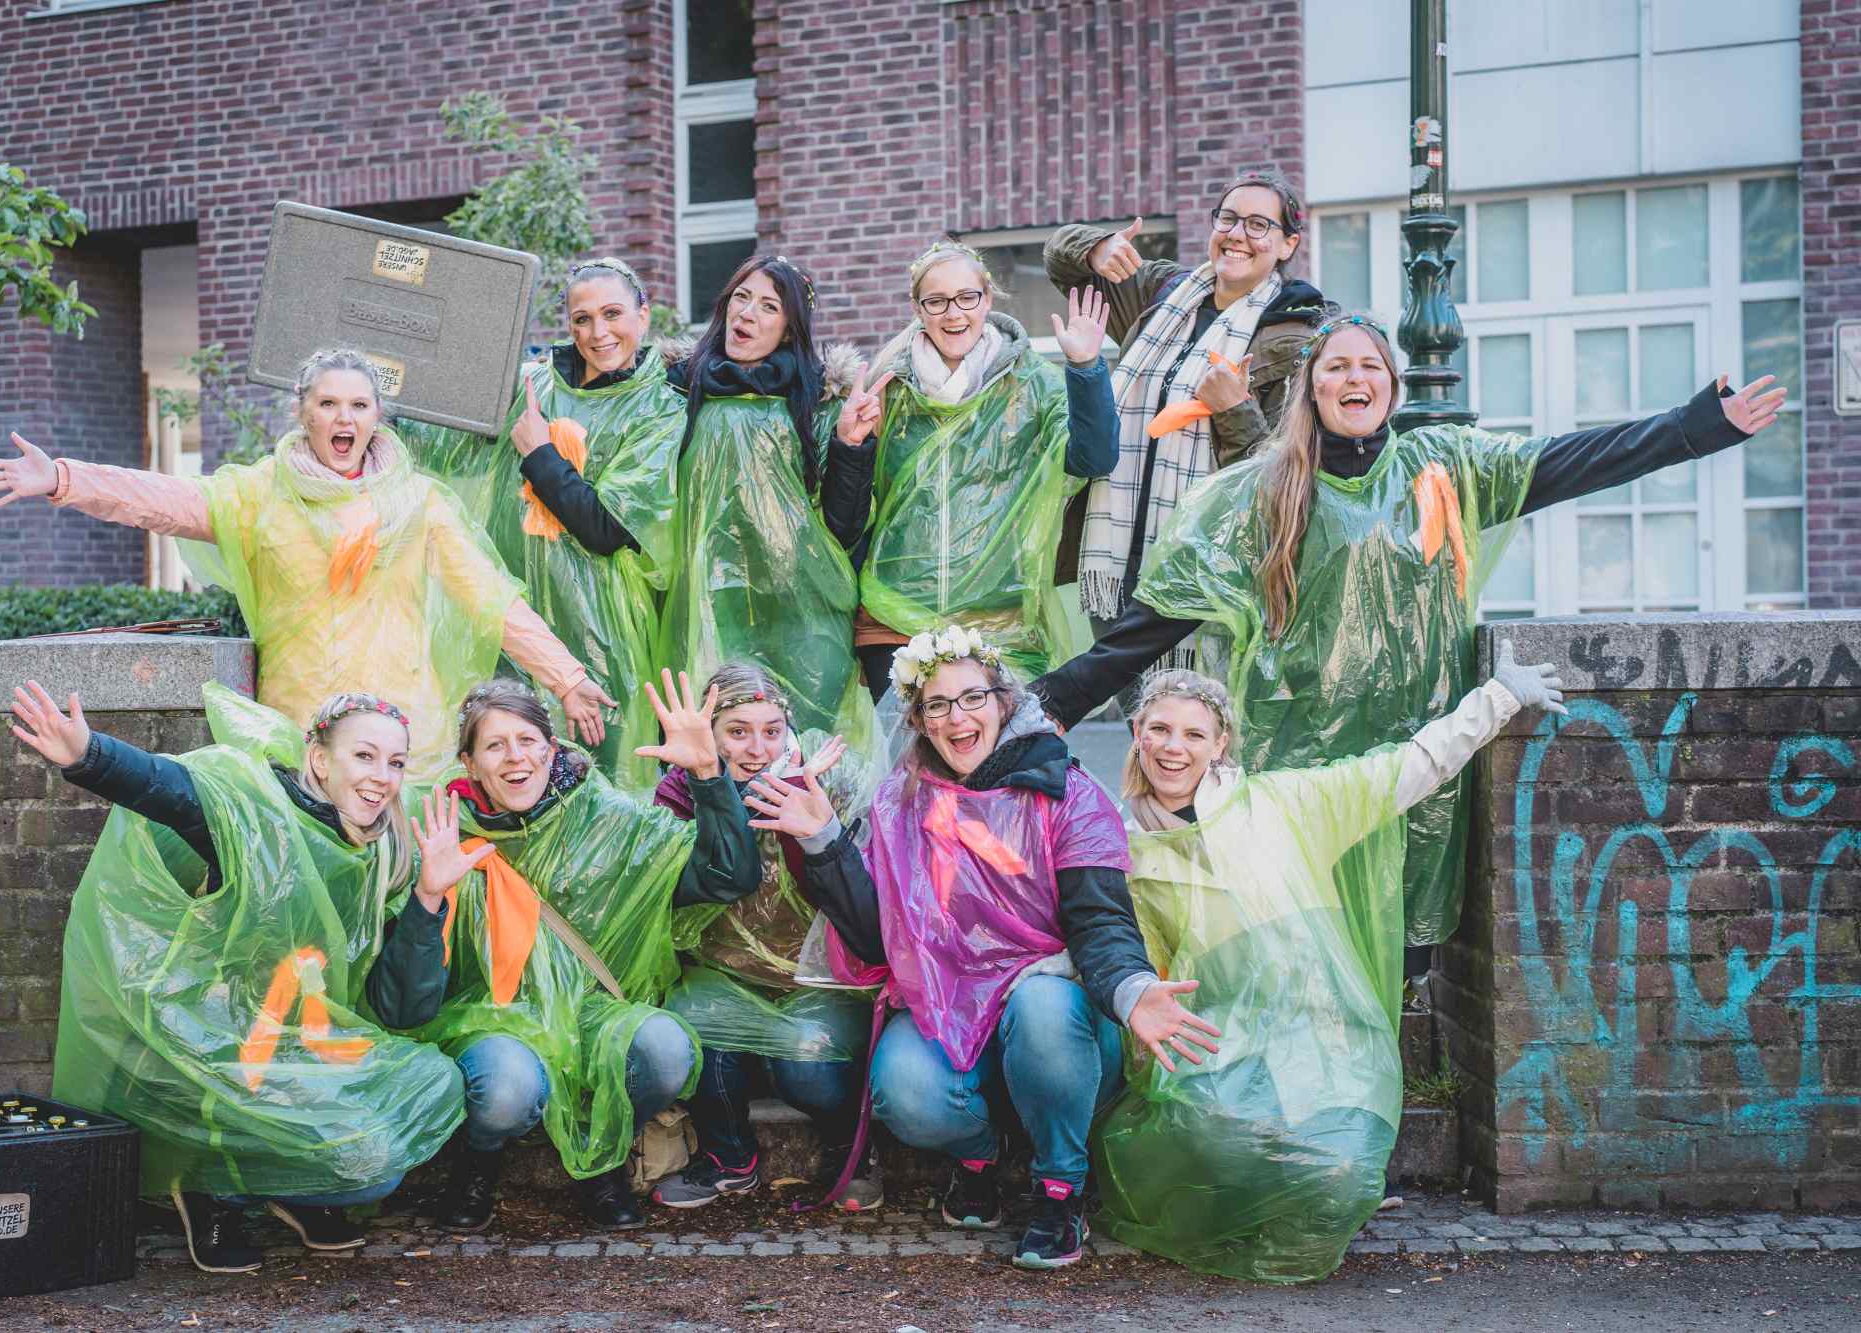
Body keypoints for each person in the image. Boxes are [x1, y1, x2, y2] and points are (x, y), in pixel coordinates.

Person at [1035, 314, 1790, 995]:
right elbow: (1155, 621)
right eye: (1335, 366)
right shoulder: (1261, 494)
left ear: (1392, 387)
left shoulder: (1441, 469)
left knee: (1398, 967)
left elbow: (1565, 463)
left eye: (1371, 366)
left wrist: (1695, 427)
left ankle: (1392, 1109)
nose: (1353, 377)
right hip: (1299, 770)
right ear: (1310, 387)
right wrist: (1056, 702)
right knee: (1301, 955)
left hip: (1418, 761)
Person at [746, 625, 1223, 1270]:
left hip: (1051, 1012)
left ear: (1003, 703)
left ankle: (1060, 1188)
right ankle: (978, 1154)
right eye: (937, 704)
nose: (957, 716)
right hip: (945, 1004)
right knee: (906, 1090)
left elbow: (1100, 921)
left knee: (1045, 1008)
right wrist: (824, 840)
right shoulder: (902, 801)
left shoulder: (1067, 794)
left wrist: (1132, 990)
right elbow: (873, 933)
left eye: (972, 697)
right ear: (920, 719)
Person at [1095, 647, 1566, 1281]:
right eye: (1158, 729)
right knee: (1208, 1140)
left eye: (1192, 733)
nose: (1172, 747)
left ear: (1220, 743)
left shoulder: (1285, 805)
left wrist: (1500, 697)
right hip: (1226, 1038)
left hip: (1324, 1032)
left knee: (1341, 1175)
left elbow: (1406, 769)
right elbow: (1132, 956)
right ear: (1136, 735)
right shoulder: (1127, 851)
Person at [0, 348, 616, 778]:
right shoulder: (258, 494)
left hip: (402, 741)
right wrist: (63, 478)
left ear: (376, 417)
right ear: (303, 410)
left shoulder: (418, 503)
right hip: (297, 735)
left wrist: (565, 676)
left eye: (358, 405)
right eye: (328, 403)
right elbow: (166, 501)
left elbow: (490, 599)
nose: (344, 416)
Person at [15, 680, 473, 1274]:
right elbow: (173, 792)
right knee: (331, 1135)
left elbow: (403, 1011)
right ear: (319, 758)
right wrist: (90, 757)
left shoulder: (385, 851)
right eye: (363, 756)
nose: (381, 777)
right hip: (211, 1037)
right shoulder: (257, 811)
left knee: (404, 1124)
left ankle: (293, 1188)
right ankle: (212, 1193)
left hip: (302, 1040)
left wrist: (429, 898)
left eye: (395, 763)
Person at [406, 670, 763, 1232]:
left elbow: (729, 876)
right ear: (469, 763)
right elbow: (411, 984)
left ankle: (605, 1156)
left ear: (552, 749)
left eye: (527, 741)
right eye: (494, 745)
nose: (514, 758)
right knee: (505, 1089)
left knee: (667, 1050)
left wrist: (708, 776)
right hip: (492, 1021)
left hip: (595, 1012)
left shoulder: (607, 819)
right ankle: (479, 1161)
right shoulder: (443, 832)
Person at [1043, 169, 1328, 694]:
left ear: (1288, 244)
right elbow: (1058, 257)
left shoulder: (1301, 335)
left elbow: (1285, 475)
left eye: (1259, 225)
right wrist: (1096, 248)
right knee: (1145, 734)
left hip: (1205, 570)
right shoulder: (1163, 292)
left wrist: (1234, 408)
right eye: (1229, 218)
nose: (1238, 234)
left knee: (1200, 733)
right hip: (1115, 556)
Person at [406, 259, 682, 787]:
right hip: (513, 610)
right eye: (582, 319)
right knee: (507, 761)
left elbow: (606, 528)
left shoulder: (661, 408)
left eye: (613, 314)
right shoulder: (533, 385)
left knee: (601, 777)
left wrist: (539, 453)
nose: (598, 333)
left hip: (602, 629)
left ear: (643, 316)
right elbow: (448, 448)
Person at [648, 662, 880, 1212]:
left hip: (821, 977)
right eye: (737, 731)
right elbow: (706, 887)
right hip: (725, 975)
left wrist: (816, 829)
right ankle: (731, 1159)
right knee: (698, 1024)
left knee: (806, 1063)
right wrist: (718, 794)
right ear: (709, 736)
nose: (756, 748)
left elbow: (867, 918)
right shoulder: (681, 793)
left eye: (771, 730)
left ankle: (852, 1148)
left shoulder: (830, 781)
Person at [851, 241, 1116, 695]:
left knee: (995, 760)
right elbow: (855, 503)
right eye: (936, 301)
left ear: (987, 300)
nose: (953, 313)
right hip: (892, 616)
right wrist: (846, 443)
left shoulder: (1035, 386)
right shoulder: (887, 390)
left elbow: (1093, 458)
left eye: (966, 298)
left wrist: (1087, 367)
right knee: (908, 763)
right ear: (918, 308)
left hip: (1001, 621)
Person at [658, 254, 873, 739]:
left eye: (769, 306)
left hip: (803, 616)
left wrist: (849, 446)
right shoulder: (674, 394)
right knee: (710, 750)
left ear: (791, 330)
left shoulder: (819, 403)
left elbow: (844, 526)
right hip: (703, 608)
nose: (747, 314)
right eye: (741, 297)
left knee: (797, 754)